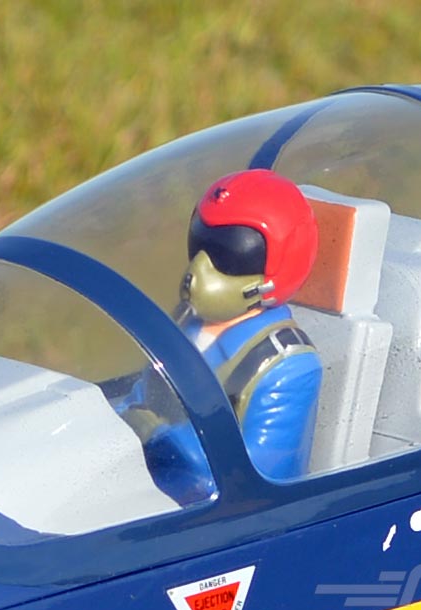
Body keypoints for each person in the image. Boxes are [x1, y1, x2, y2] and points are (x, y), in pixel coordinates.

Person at [122, 169, 322, 493]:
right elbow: (140, 398)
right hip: (148, 487)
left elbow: (255, 476)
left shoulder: (286, 366)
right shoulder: (186, 324)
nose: (196, 271)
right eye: (199, 245)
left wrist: (156, 436)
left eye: (228, 255)